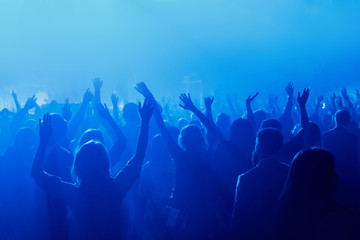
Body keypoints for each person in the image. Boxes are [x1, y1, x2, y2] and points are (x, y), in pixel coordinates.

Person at [31, 97, 153, 240]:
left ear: (78, 164)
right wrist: (145, 123)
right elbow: (139, 156)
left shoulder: (73, 193)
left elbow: (36, 173)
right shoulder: (116, 187)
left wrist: (43, 142)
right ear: (105, 162)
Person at [275, 149, 360, 240]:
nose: (337, 175)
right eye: (332, 170)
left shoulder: (281, 213)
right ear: (326, 177)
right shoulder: (340, 218)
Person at [231, 127, 289, 240]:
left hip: (256, 233)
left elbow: (238, 214)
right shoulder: (291, 172)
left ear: (257, 147)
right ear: (280, 147)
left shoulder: (245, 178)